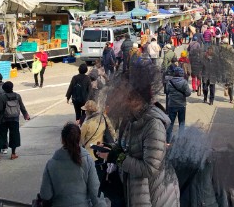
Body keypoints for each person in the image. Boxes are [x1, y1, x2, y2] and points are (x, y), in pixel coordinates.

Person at [100, 64, 180, 207]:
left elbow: (150, 168)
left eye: (123, 93)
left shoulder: (153, 124)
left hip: (155, 197)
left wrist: (117, 157)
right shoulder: (130, 118)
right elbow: (125, 148)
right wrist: (110, 149)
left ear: (135, 97)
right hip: (136, 193)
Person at [38, 122, 104, 207]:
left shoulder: (51, 163)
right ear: (79, 138)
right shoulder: (87, 160)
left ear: (62, 139)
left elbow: (45, 195)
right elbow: (95, 192)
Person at [0, 81, 30, 163]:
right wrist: (26, 115)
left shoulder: (3, 97)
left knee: (1, 137)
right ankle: (13, 154)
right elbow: (22, 107)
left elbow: (0, 109)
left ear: (4, 89)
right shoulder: (17, 96)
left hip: (4, 120)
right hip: (14, 119)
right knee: (14, 136)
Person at [165, 66, 191, 143]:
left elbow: (167, 91)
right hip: (181, 105)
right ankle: (180, 140)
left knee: (170, 123)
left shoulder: (170, 82)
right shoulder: (184, 82)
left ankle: (168, 140)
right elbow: (188, 93)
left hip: (172, 105)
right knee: (182, 123)